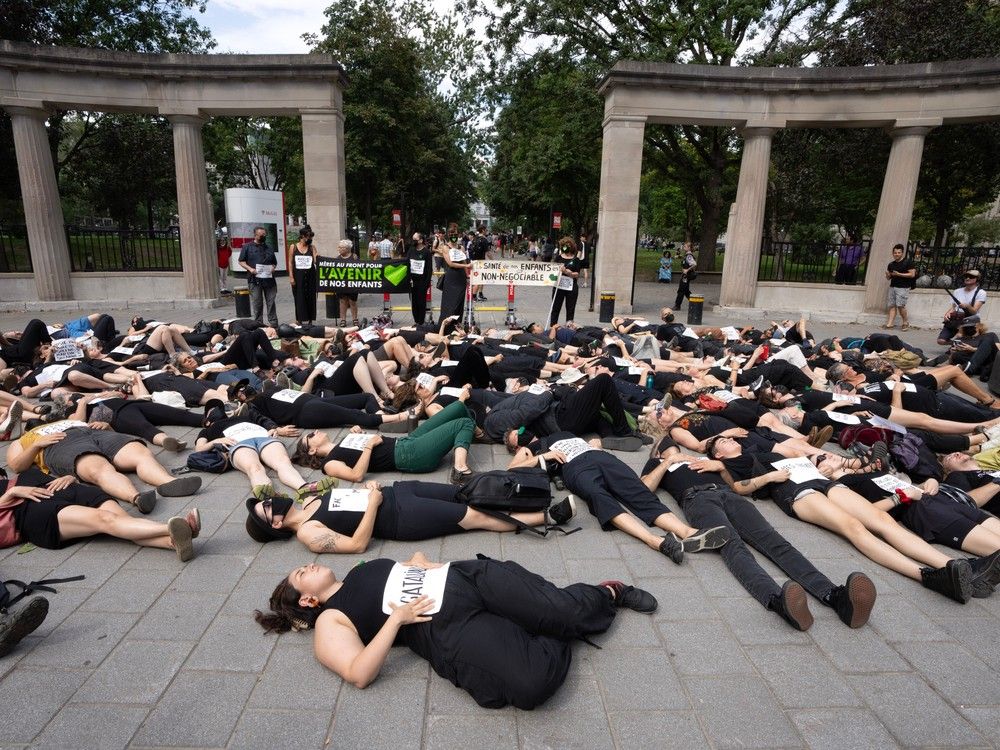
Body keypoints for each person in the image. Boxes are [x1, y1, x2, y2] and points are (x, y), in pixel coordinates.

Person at [254, 552, 658, 708]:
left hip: (465, 579)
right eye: (299, 574)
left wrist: (423, 563)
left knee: (565, 609)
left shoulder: (361, 568)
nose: (306, 565)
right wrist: (395, 620)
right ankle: (542, 628)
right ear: (307, 600)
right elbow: (358, 673)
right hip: (442, 625)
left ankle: (608, 593)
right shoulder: (330, 618)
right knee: (530, 684)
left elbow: (404, 566)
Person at [244, 478, 574, 551]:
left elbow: (350, 498)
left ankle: (529, 497)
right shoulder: (308, 534)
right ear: (275, 524)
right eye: (269, 507)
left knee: (467, 492)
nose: (273, 499)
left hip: (398, 491)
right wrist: (372, 505)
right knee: (473, 517)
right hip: (403, 517)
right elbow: (358, 544)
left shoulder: (310, 501)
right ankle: (546, 518)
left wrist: (367, 490)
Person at [0, 466, 200, 561]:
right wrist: (11, 493)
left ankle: (173, 542)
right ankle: (177, 526)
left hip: (61, 486)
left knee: (123, 523)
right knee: (107, 520)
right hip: (28, 508)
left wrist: (69, 477)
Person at [238, 226, 279, 327]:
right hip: (254, 280)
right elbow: (241, 261)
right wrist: (250, 269)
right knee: (257, 303)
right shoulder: (247, 247)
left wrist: (273, 267)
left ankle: (273, 323)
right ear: (255, 235)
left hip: (269, 280)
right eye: (262, 235)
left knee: (271, 302)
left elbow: (274, 262)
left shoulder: (269, 247)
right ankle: (258, 323)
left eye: (265, 235)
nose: (264, 237)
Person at [938, 269, 987, 345]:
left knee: (959, 335)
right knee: (941, 341)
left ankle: (961, 344)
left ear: (977, 279)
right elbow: (953, 307)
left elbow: (974, 311)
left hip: (970, 321)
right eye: (966, 276)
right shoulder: (957, 291)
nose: (967, 278)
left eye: (971, 277)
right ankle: (956, 343)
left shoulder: (981, 293)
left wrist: (967, 306)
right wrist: (947, 314)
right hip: (956, 319)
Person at [287, 224, 318, 326]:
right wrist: (291, 276)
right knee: (299, 297)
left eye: (310, 237)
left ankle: (310, 319)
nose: (309, 239)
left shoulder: (312, 247)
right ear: (302, 236)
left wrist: (317, 256)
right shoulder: (293, 247)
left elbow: (316, 259)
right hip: (298, 276)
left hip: (310, 276)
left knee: (311, 297)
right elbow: (290, 262)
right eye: (308, 237)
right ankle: (299, 319)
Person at [548, 237, 583, 326]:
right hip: (559, 286)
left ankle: (569, 327)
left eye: (567, 245)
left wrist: (567, 272)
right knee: (555, 307)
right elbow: (552, 270)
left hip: (571, 287)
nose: (565, 247)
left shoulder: (576, 260)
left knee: (570, 308)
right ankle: (553, 327)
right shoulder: (558, 258)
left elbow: (577, 274)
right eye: (563, 245)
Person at [884, 243, 915, 330]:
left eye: (898, 252)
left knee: (901, 306)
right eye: (895, 252)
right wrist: (887, 275)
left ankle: (905, 322)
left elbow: (912, 274)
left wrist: (899, 274)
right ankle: (890, 324)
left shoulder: (908, 262)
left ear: (902, 253)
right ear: (893, 253)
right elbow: (889, 278)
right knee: (892, 305)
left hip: (903, 287)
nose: (896, 254)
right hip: (893, 286)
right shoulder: (891, 264)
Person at [437, 240, 471, 321]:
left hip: (461, 277)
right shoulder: (445, 247)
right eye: (451, 234)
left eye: (455, 234)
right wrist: (466, 265)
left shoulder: (461, 247)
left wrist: (467, 276)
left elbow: (464, 261)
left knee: (459, 302)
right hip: (451, 277)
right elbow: (451, 263)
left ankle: (457, 323)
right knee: (449, 302)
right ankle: (446, 324)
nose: (453, 236)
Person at [333, 239, 361, 327]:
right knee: (342, 301)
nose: (339, 249)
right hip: (341, 284)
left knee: (352, 301)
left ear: (348, 249)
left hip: (352, 284)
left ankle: (355, 318)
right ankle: (343, 319)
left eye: (341, 248)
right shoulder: (338, 258)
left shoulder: (354, 257)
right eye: (339, 247)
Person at [407, 233, 434, 325]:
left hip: (422, 282)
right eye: (413, 239)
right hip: (412, 282)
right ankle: (416, 321)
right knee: (414, 303)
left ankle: (421, 322)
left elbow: (429, 269)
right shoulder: (411, 250)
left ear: (421, 240)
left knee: (421, 302)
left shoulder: (426, 252)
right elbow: (406, 264)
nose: (413, 240)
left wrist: (427, 283)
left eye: (415, 239)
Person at [674, 244, 696, 310]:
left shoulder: (689, 255)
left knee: (681, 290)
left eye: (685, 246)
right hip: (685, 275)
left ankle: (677, 306)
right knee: (686, 291)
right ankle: (695, 303)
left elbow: (694, 264)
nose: (684, 247)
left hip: (686, 276)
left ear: (689, 247)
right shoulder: (686, 255)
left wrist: (687, 270)